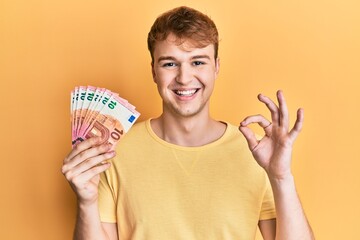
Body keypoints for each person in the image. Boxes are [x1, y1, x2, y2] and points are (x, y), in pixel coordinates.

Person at [62, 6, 314, 240]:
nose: (184, 77)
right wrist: (87, 202)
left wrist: (281, 178)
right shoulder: (112, 151)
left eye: (198, 62)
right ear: (153, 71)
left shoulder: (256, 153)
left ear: (216, 67)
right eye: (170, 64)